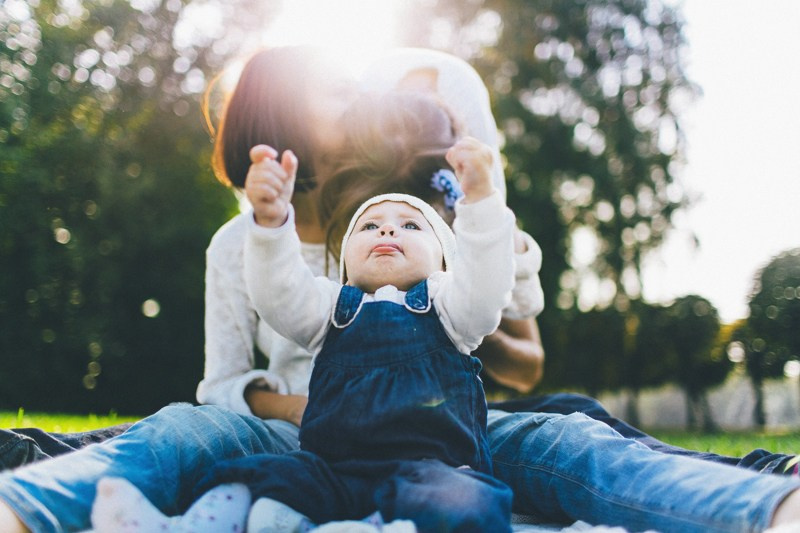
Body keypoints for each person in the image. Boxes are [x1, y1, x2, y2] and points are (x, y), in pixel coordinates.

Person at [2, 46, 800, 533]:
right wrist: (319, 405)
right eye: (336, 95)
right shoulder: (242, 243)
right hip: (297, 433)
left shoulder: (402, 218)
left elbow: (503, 308)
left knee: (572, 433)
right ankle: (27, 505)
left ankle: (765, 503)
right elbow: (222, 384)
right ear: (283, 118)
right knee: (178, 431)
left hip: (439, 427)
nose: (360, 105)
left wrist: (486, 217)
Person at [92, 121, 518, 531]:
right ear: (345, 265)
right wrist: (271, 225)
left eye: (410, 225)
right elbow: (279, 293)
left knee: (467, 502)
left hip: (432, 470)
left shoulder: (450, 307)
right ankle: (185, 526)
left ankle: (373, 527)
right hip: (330, 470)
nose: (387, 228)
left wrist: (481, 203)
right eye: (369, 226)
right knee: (255, 476)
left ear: (444, 263)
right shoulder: (333, 307)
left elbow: (486, 286)